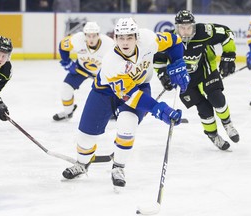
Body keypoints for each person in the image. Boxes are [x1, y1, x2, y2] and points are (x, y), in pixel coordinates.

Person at [61, 17, 190, 190]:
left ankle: (118, 167)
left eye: (129, 37)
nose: (125, 42)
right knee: (86, 136)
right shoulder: (111, 62)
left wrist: (177, 63)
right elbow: (132, 96)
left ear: (137, 37)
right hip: (104, 92)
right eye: (121, 37)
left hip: (139, 86)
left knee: (127, 124)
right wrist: (159, 109)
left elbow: (175, 42)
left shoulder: (150, 39)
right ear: (115, 38)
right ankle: (82, 164)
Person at [155, 10, 240, 151]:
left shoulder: (204, 32)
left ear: (194, 26)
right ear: (176, 28)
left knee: (216, 98)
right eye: (182, 28)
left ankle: (227, 123)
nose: (186, 31)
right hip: (184, 79)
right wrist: (163, 75)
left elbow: (227, 33)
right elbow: (158, 60)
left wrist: (229, 56)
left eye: (189, 27)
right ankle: (212, 135)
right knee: (203, 108)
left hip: (206, 70)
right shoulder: (168, 39)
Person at [53, 21, 115, 121]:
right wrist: (67, 61)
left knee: (112, 92)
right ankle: (68, 112)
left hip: (102, 74)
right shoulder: (77, 39)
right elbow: (62, 46)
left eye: (94, 36)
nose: (91, 39)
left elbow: (119, 59)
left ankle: (113, 111)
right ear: (84, 35)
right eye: (88, 36)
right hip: (81, 69)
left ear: (98, 35)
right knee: (66, 88)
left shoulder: (109, 44)